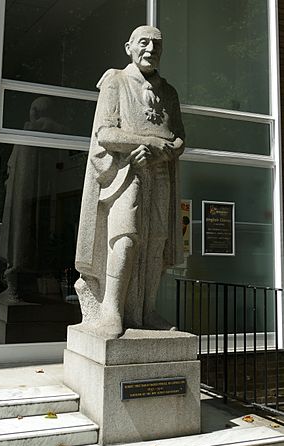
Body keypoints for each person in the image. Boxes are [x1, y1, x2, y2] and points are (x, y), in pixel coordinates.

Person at [75, 25, 185, 338]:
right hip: (126, 172)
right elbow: (106, 133)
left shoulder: (170, 92)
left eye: (157, 44)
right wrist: (146, 143)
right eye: (143, 42)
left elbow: (179, 140)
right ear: (129, 47)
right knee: (126, 238)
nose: (150, 49)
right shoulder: (115, 81)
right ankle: (111, 308)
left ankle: (146, 310)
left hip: (159, 172)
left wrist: (160, 154)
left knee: (156, 243)